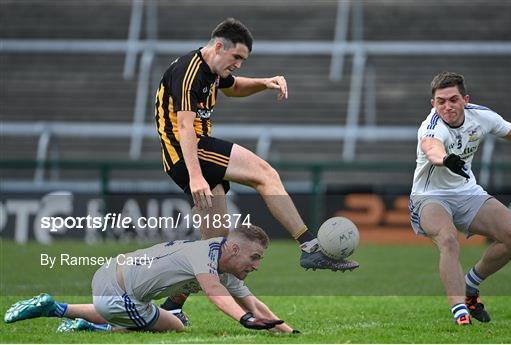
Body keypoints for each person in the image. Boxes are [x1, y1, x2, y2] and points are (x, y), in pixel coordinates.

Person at [154, 17, 358, 321]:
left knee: (214, 249)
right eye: (237, 57)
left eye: (243, 60)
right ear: (219, 46)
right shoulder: (189, 71)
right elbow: (184, 127)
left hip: (191, 155)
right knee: (265, 173)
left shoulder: (213, 69)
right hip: (189, 152)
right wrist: (196, 175)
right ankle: (309, 245)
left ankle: (172, 304)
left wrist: (265, 82)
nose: (238, 64)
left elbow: (233, 88)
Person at [409, 71, 511, 325]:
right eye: (441, 101)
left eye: (453, 99)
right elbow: (432, 148)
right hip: (429, 196)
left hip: (467, 192)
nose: (447, 106)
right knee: (447, 239)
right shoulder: (431, 126)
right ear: (433, 104)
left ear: (465, 99)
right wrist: (445, 159)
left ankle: (471, 285)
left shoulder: (481, 117)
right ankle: (460, 311)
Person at [4, 225, 296, 334]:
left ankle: (59, 309)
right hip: (119, 294)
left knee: (143, 314)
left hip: (109, 276)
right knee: (176, 325)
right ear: (233, 249)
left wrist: (287, 330)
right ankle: (94, 327)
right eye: (255, 257)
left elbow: (252, 302)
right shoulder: (204, 257)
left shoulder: (219, 262)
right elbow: (214, 291)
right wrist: (245, 321)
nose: (256, 265)